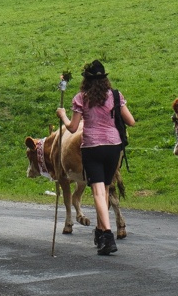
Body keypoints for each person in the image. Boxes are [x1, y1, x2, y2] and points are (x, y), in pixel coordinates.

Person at [56, 60, 136, 255]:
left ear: (86, 81)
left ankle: (107, 235)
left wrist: (63, 115)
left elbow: (73, 128)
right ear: (104, 79)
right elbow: (131, 122)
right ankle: (100, 231)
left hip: (92, 147)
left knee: (98, 192)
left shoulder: (81, 98)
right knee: (105, 190)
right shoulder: (116, 96)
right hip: (113, 148)